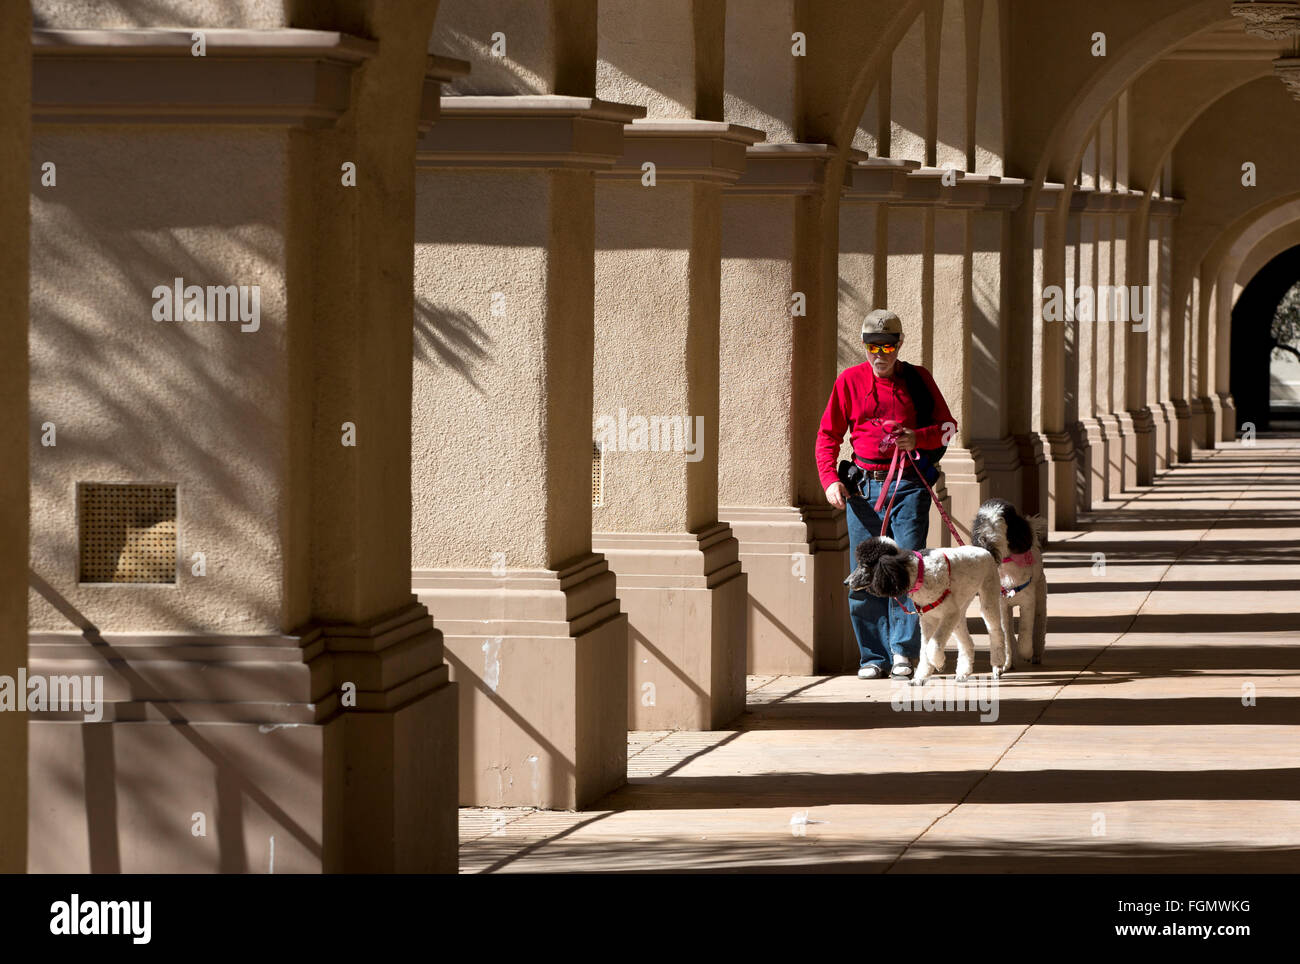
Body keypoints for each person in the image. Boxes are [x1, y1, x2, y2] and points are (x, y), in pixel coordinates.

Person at [815, 309, 957, 679]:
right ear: (864, 347)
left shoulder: (918, 380)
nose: (881, 355)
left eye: (888, 346)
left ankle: (902, 652)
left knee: (906, 567)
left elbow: (946, 428)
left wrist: (918, 438)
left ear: (899, 345)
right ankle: (872, 656)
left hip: (909, 483)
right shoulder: (848, 381)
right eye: (872, 347)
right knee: (865, 571)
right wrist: (830, 479)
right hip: (863, 488)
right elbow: (827, 436)